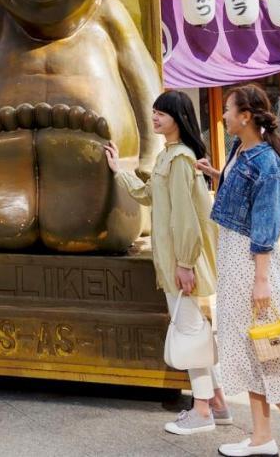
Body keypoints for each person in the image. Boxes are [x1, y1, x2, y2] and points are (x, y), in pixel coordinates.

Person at [195, 84, 280, 457]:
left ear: (245, 116)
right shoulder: (242, 150)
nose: (222, 116)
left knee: (266, 348)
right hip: (235, 258)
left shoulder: (267, 162)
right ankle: (262, 438)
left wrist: (261, 280)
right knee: (247, 347)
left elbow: (265, 225)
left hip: (251, 261)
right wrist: (217, 174)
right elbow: (243, 194)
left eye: (228, 110)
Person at [105, 90, 230, 436]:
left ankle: (202, 411)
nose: (155, 117)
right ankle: (217, 403)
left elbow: (185, 218)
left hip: (178, 262)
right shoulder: (168, 157)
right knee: (194, 329)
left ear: (179, 118)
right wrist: (120, 170)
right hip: (173, 260)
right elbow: (148, 196)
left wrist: (186, 263)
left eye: (162, 113)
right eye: (154, 112)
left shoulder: (179, 160)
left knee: (191, 332)